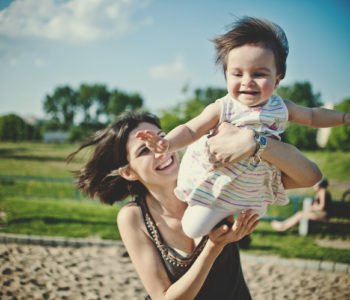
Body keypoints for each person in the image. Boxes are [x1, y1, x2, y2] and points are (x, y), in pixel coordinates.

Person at [68, 111, 321, 299]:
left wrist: (257, 142)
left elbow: (308, 176)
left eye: (161, 138)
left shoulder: (216, 177)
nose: (160, 150)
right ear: (128, 173)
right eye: (144, 151)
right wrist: (213, 246)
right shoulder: (133, 218)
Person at [136, 16, 349, 239]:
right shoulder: (223, 108)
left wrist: (343, 117)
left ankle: (233, 228)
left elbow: (314, 115)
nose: (247, 81)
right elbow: (191, 129)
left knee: (249, 220)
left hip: (254, 187)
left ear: (277, 79)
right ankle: (216, 225)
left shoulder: (281, 107)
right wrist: (167, 143)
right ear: (226, 76)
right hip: (219, 184)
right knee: (192, 228)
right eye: (237, 74)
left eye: (259, 74)